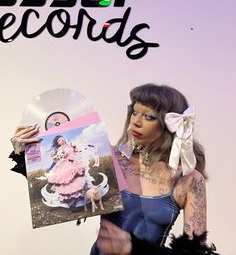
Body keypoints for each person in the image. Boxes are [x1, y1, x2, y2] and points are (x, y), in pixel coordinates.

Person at [9, 84, 219, 255]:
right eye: (135, 112)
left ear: (170, 125)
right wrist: (23, 152)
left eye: (149, 116)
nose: (135, 121)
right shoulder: (113, 158)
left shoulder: (190, 180)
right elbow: (58, 182)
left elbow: (195, 254)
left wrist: (133, 249)